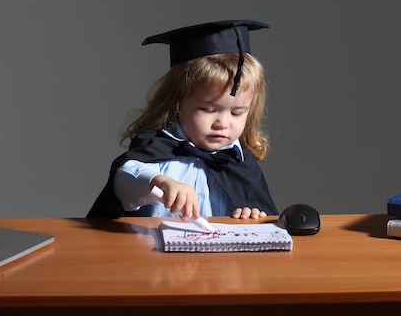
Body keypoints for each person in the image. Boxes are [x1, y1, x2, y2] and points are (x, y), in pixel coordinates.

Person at [87, 20, 278, 220]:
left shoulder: (243, 166)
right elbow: (125, 180)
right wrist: (158, 182)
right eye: (209, 109)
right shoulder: (155, 148)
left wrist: (253, 217)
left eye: (237, 113)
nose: (223, 122)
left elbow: (265, 222)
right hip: (153, 250)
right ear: (176, 102)